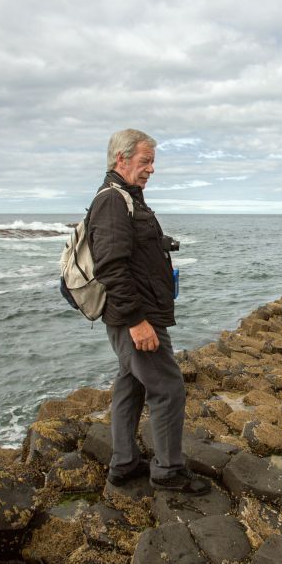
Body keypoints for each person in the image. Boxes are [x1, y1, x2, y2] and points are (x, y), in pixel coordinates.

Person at [88, 128, 209, 495]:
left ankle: (124, 463)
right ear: (121, 160)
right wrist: (137, 322)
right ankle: (169, 471)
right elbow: (110, 267)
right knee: (169, 388)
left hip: (136, 312)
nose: (151, 169)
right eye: (145, 161)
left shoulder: (129, 198)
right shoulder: (113, 200)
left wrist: (161, 245)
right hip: (135, 316)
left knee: (130, 385)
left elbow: (131, 249)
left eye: (152, 161)